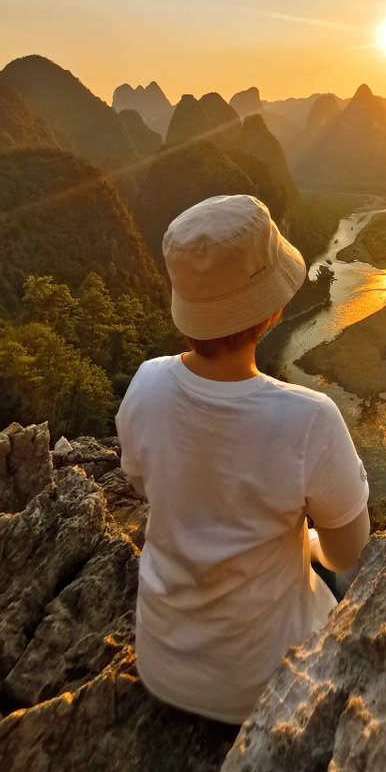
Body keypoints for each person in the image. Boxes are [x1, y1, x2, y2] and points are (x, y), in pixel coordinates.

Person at [115, 194, 370, 726]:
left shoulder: (145, 386)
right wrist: (309, 542)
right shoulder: (310, 419)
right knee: (352, 585)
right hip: (263, 684)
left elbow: (143, 486)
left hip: (161, 664)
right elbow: (349, 554)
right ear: (271, 310)